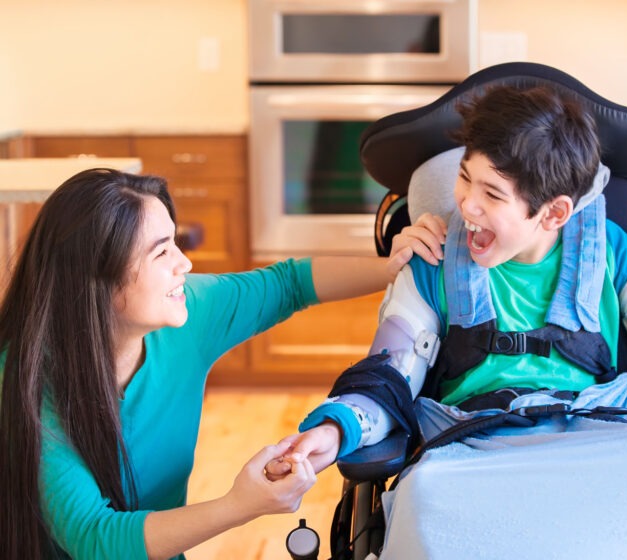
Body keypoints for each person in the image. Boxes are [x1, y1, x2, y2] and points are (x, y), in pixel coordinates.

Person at [267, 85, 627, 556]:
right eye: (464, 177)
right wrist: (335, 429)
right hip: (469, 453)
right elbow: (388, 373)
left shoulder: (609, 252)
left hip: (605, 446)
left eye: (493, 194)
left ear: (554, 212)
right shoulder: (434, 259)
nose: (466, 204)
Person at [0, 167, 418, 560]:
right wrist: (239, 506)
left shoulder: (188, 315)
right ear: (96, 278)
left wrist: (398, 269)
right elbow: (94, 537)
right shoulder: (25, 382)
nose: (185, 263)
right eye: (162, 252)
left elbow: (290, 283)